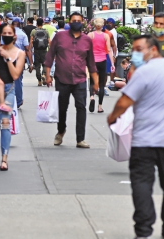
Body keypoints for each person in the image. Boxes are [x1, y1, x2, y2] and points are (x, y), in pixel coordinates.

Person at [107, 35, 164, 239]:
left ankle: (143, 228)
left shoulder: (145, 72)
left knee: (142, 182)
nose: (135, 53)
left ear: (153, 50)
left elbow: (124, 100)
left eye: (138, 49)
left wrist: (112, 117)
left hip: (145, 138)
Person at [44, 12, 99, 149]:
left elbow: (91, 63)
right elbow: (50, 56)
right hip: (62, 78)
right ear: (69, 22)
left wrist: (96, 82)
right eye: (73, 20)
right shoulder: (60, 37)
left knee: (81, 108)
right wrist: (47, 75)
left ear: (82, 23)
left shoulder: (87, 40)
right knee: (62, 108)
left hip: (80, 79)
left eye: (78, 20)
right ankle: (61, 131)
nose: (76, 22)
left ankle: (80, 139)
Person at [0, 24, 25, 171]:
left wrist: (8, 59)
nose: (7, 35)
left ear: (14, 35)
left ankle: (5, 158)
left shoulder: (20, 53)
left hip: (9, 89)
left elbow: (15, 75)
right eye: (4, 32)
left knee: (6, 123)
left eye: (10, 33)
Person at [87, 18, 115, 113]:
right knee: (102, 84)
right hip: (102, 60)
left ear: (94, 25)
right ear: (102, 25)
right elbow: (109, 50)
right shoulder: (106, 36)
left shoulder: (90, 35)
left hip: (92, 61)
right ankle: (99, 106)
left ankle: (91, 97)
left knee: (92, 81)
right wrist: (112, 63)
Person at [11, 17, 30, 108]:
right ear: (19, 24)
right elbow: (27, 49)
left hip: (8, 60)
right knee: (18, 81)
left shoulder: (7, 33)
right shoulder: (23, 34)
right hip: (19, 60)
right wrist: (31, 63)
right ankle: (18, 101)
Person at [29, 18, 50, 86]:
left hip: (36, 50)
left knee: (37, 66)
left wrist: (29, 49)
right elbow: (49, 41)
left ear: (36, 23)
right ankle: (44, 74)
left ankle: (39, 81)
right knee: (45, 64)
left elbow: (31, 41)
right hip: (44, 50)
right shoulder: (46, 31)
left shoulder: (33, 31)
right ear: (42, 23)